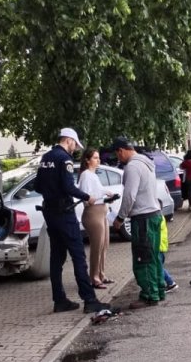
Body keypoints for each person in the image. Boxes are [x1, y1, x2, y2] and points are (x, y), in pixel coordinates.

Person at [36, 127, 114, 319]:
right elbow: (69, 187)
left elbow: (37, 185)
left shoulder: (45, 157)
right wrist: (87, 196)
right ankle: (90, 300)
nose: (75, 149)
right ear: (69, 140)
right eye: (74, 145)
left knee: (57, 258)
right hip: (64, 213)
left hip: (49, 212)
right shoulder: (64, 159)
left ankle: (60, 300)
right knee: (78, 256)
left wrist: (51, 193)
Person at [109, 136, 166, 308]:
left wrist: (120, 218)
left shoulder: (132, 166)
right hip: (154, 214)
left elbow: (129, 195)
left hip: (143, 219)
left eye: (117, 155)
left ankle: (149, 295)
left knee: (143, 258)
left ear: (121, 150)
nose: (118, 159)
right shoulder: (147, 163)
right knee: (154, 257)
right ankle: (159, 290)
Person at [77, 148, 116, 288]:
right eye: (95, 158)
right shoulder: (86, 175)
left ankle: (101, 274)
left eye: (98, 157)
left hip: (102, 211)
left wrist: (107, 197)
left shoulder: (94, 175)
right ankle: (94, 277)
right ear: (87, 160)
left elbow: (98, 193)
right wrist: (101, 197)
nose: (98, 160)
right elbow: (87, 198)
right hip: (93, 213)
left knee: (104, 245)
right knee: (97, 246)